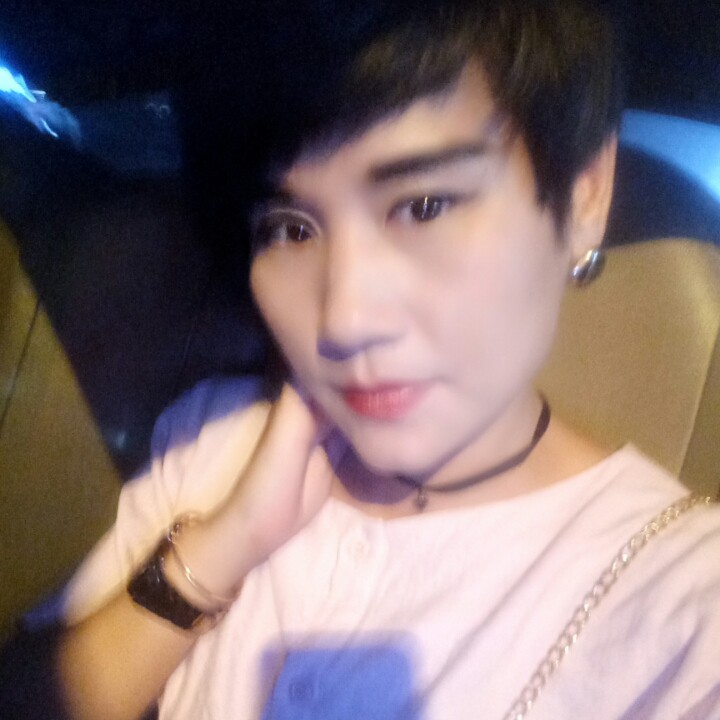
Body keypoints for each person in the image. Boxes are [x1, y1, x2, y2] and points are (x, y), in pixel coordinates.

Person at [53, 1, 720, 718]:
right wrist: (223, 547)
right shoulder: (211, 439)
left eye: (424, 205)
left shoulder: (685, 610)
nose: (345, 320)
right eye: (290, 228)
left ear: (585, 192)